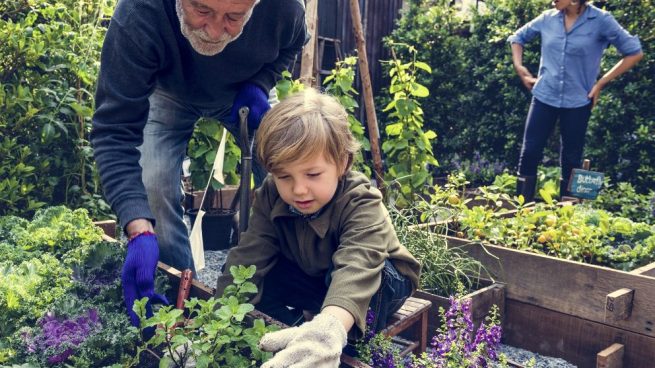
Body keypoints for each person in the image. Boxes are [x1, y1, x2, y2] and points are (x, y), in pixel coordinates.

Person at [90, 0, 307, 326]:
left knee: (295, 166)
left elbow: (291, 45)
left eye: (234, 17)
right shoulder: (139, 13)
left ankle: (291, 288)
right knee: (154, 185)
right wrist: (137, 226)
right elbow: (114, 131)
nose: (215, 30)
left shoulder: (285, 7)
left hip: (244, 90)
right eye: (202, 11)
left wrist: (260, 84)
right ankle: (181, 303)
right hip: (169, 92)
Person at [215, 89, 421, 367]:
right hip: (317, 275)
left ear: (342, 163)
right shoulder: (270, 194)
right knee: (250, 277)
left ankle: (337, 344)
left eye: (312, 174)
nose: (299, 190)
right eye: (284, 176)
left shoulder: (361, 200)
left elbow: (358, 265)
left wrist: (330, 329)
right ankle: (297, 339)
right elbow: (249, 254)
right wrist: (215, 321)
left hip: (378, 281)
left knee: (371, 279)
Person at [508, 0, 643, 201]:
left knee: (571, 159)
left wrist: (601, 83)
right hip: (544, 95)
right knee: (529, 153)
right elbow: (517, 38)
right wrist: (520, 68)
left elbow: (634, 52)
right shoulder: (547, 18)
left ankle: (567, 218)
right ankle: (520, 213)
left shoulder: (600, 20)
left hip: (578, 101)